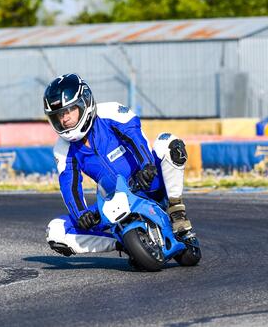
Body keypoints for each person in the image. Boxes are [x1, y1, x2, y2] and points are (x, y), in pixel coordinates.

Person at [44, 73, 192, 258]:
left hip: (147, 181)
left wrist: (147, 166)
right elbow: (69, 185)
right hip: (113, 199)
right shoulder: (62, 148)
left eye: (68, 111)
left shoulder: (111, 112)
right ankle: (123, 244)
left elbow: (135, 136)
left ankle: (176, 210)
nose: (64, 119)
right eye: (57, 115)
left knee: (168, 142)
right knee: (56, 230)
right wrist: (81, 212)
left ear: (84, 103)